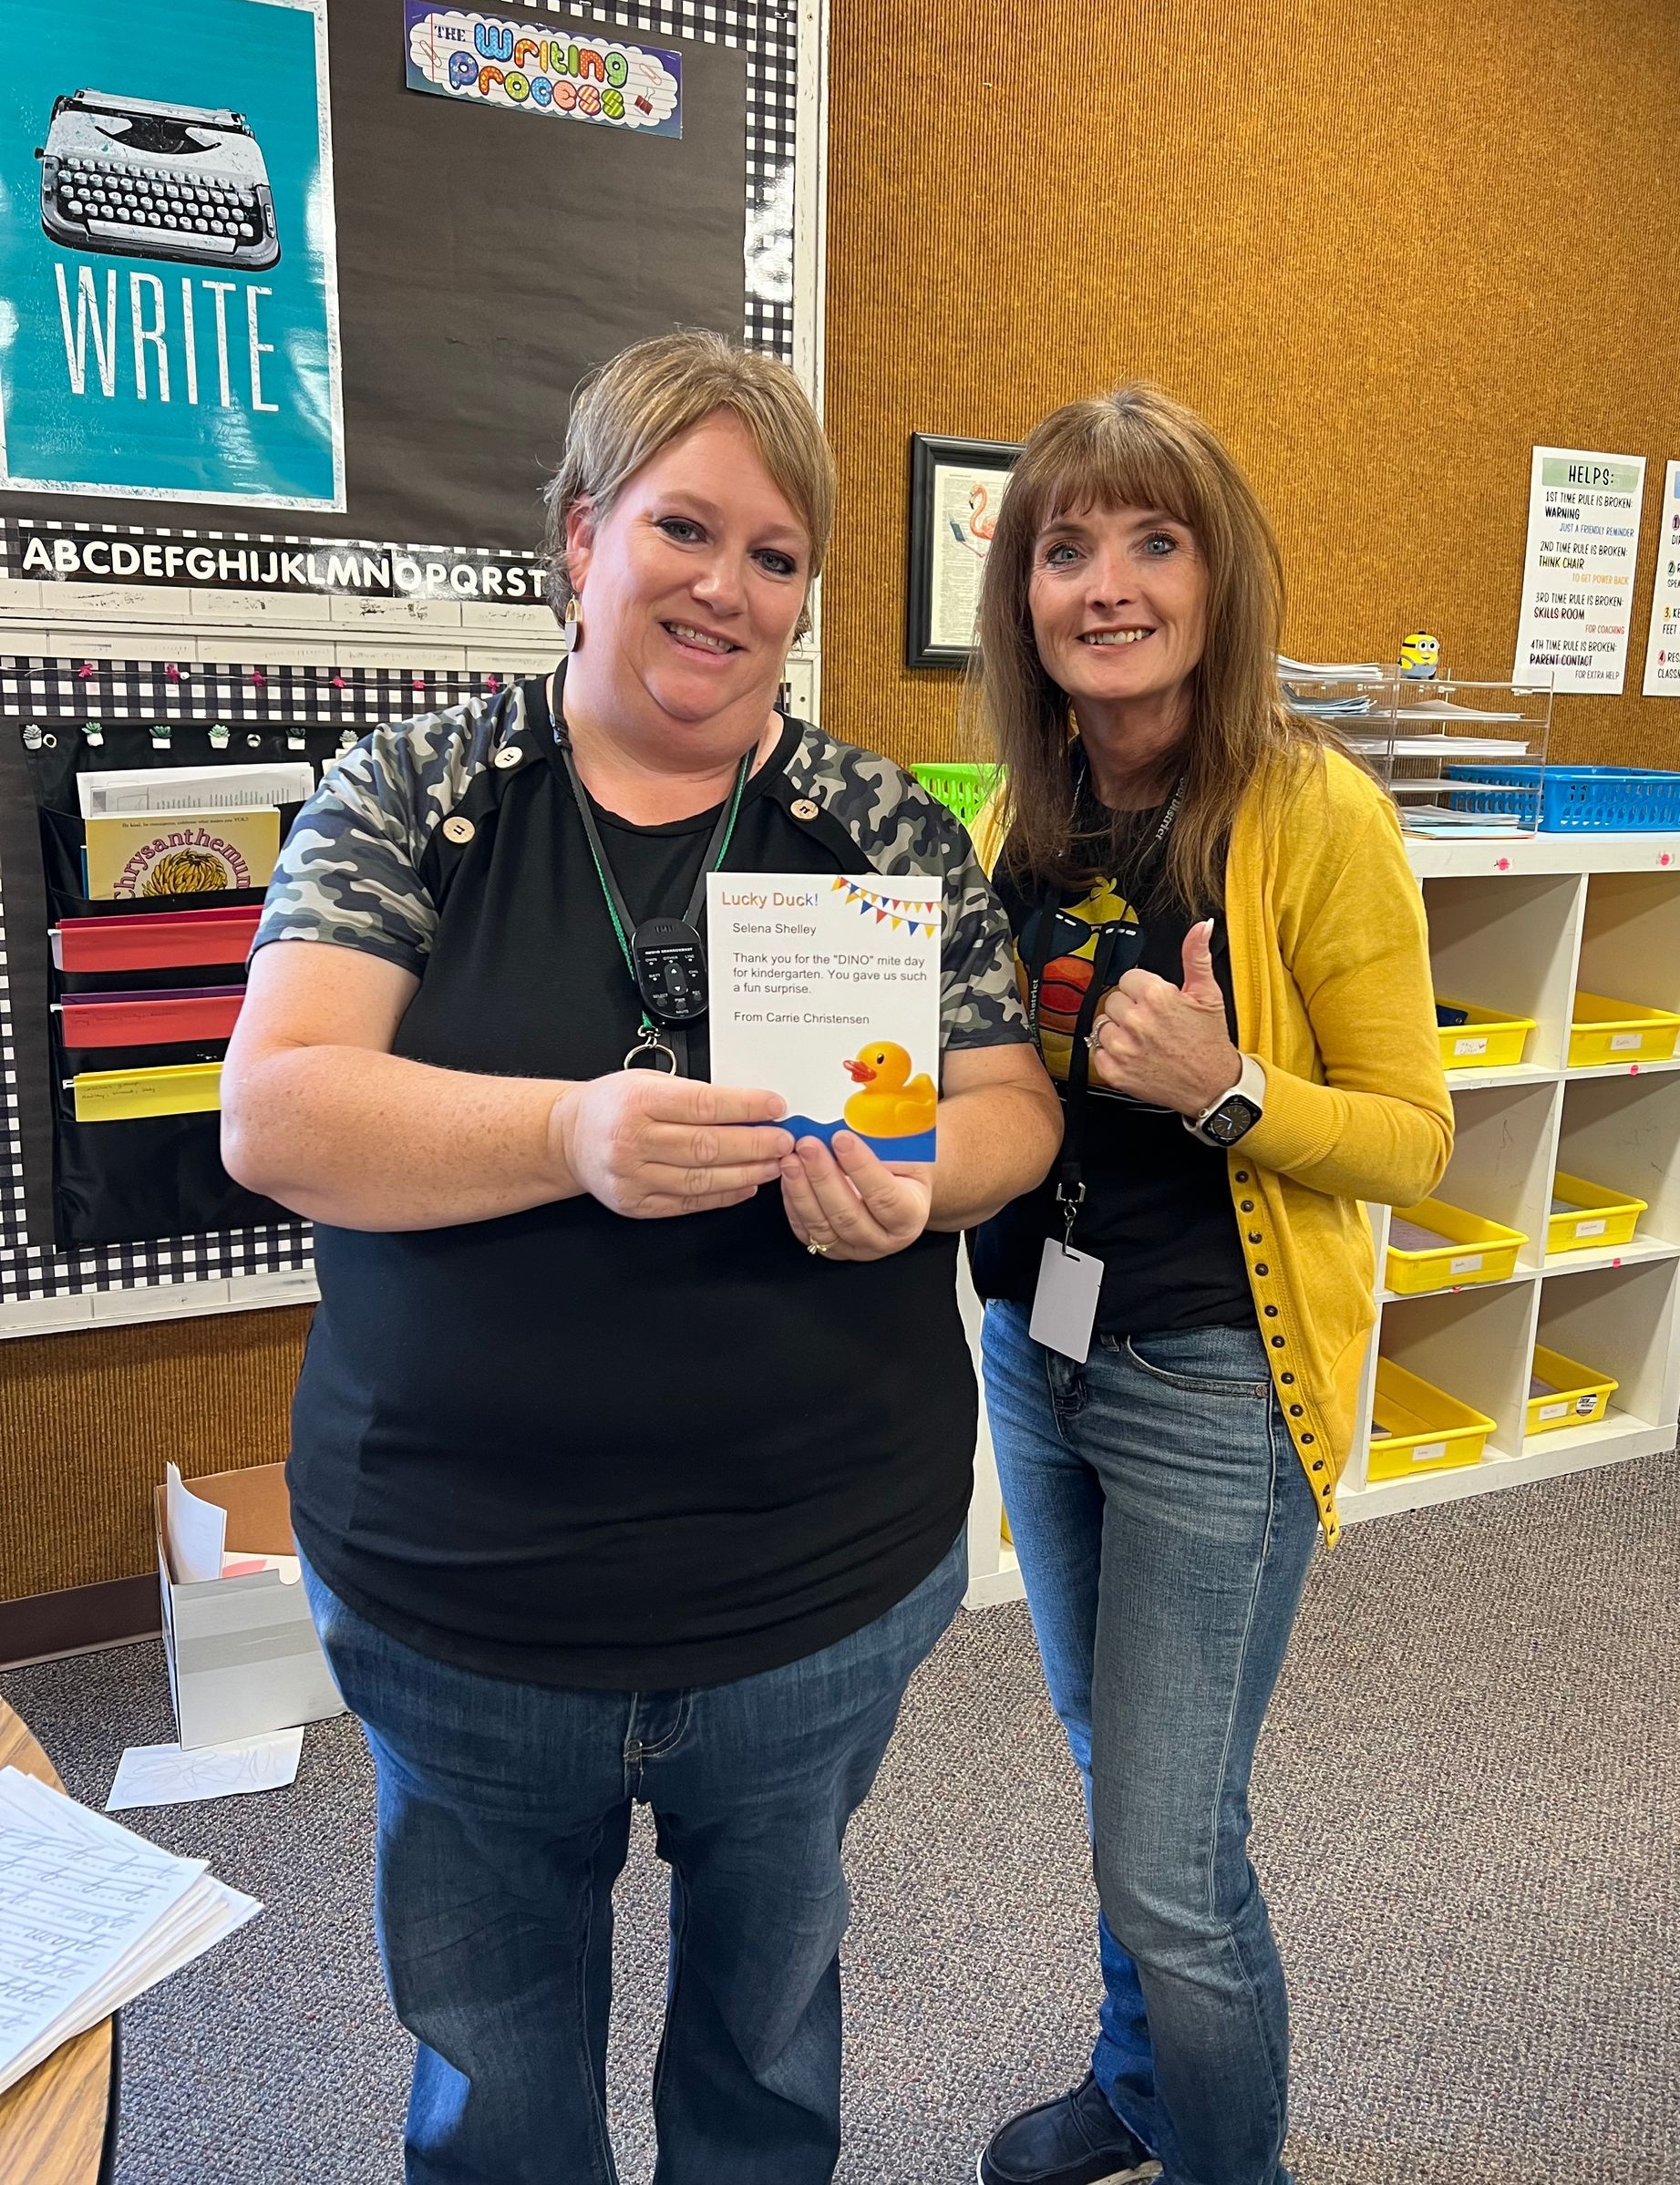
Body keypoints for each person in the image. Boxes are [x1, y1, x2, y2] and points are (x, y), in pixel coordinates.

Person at [220, 329, 1061, 2185]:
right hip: (467, 1592)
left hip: (813, 1587)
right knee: (496, 2051)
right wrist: (565, 1133)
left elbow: (1010, 1105)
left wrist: (921, 1188)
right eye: (686, 526)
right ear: (584, 534)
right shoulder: (420, 793)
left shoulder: (879, 825)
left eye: (777, 556)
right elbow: (276, 1113)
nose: (728, 586)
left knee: (766, 2036)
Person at [966, 385, 1452, 2185]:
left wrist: (1225, 1085)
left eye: (1152, 540)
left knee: (1173, 1850)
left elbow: (1417, 1137)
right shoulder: (1025, 809)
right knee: (1122, 1779)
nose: (1109, 583)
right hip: (1040, 1340)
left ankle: (1220, 2156)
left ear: (1214, 572)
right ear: (1021, 592)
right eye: (1068, 547)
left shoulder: (1314, 808)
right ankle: (1143, 2080)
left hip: (1210, 1381)